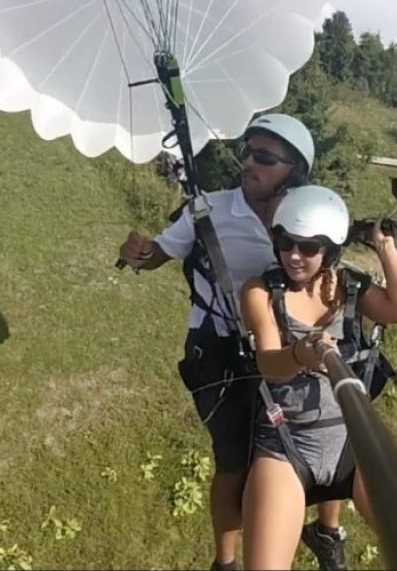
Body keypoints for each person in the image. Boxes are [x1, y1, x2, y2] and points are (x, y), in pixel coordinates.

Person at [117, 115, 348, 571]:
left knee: (326, 433)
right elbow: (159, 254)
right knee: (234, 459)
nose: (248, 162)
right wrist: (139, 254)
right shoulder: (210, 208)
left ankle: (326, 530)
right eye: (246, 151)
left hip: (288, 349)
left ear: (294, 171)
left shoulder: (304, 217)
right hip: (221, 352)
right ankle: (226, 561)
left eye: (264, 157)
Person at [238, 185, 397, 570]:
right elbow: (269, 363)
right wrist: (302, 353)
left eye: (308, 247)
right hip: (287, 443)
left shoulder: (349, 287)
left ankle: (325, 533)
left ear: (330, 251)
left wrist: (384, 246)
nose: (293, 256)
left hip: (352, 440)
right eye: (285, 242)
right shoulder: (261, 292)